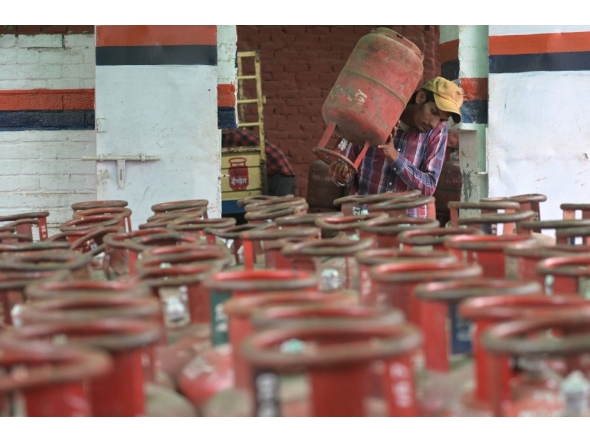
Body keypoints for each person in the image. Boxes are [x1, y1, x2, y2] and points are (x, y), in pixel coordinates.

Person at [328, 77, 464, 218]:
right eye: (434, 112)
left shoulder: (438, 132)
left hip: (409, 222)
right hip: (366, 216)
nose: (434, 123)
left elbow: (429, 186)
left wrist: (394, 156)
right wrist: (342, 175)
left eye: (442, 119)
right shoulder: (377, 115)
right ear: (421, 97)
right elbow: (347, 168)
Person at [222, 128, 296, 196]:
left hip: (281, 176)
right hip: (284, 174)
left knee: (279, 207)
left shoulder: (231, 136)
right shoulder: (238, 134)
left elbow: (225, 160)